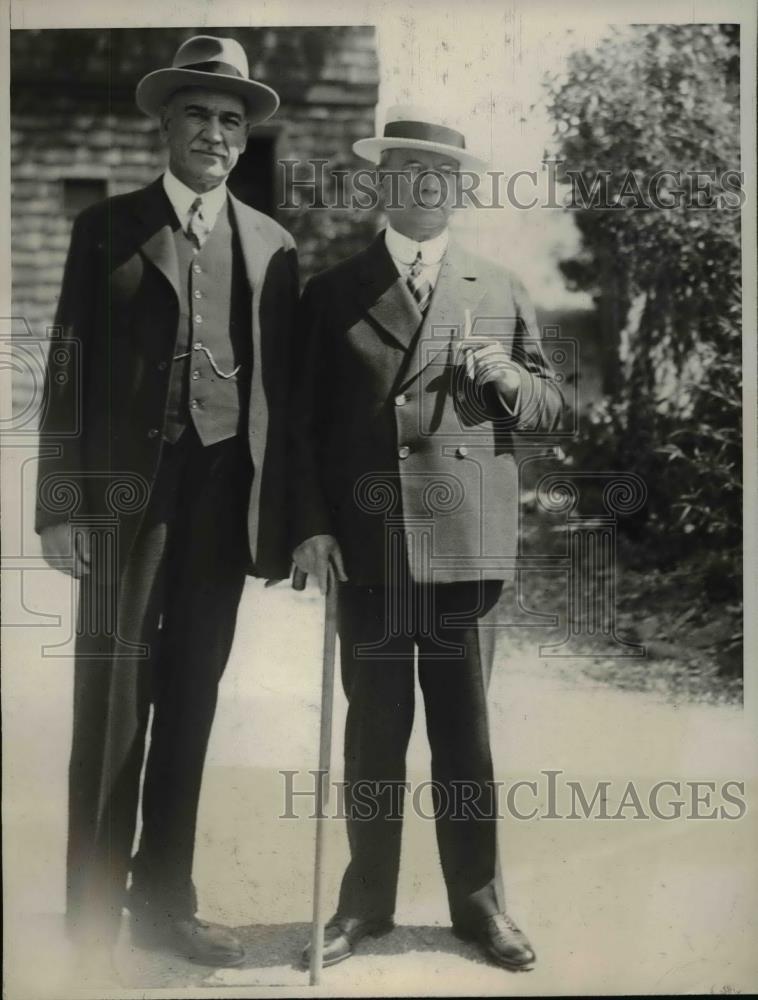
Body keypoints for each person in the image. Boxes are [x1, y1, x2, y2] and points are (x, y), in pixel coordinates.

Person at [36, 35, 298, 969]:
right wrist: (59, 505)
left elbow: (290, 395)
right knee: (111, 702)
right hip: (119, 502)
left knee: (192, 695)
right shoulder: (106, 228)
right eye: (198, 115)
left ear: (243, 137)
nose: (215, 133)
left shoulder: (272, 245)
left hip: (223, 500)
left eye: (231, 120)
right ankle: (90, 915)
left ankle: (165, 903)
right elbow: (65, 371)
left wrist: (293, 518)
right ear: (166, 123)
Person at [290, 106, 563, 972]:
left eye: (440, 175)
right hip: (369, 551)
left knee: (465, 735)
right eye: (404, 171)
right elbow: (296, 428)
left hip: (465, 547)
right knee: (373, 736)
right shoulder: (331, 292)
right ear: (379, 183)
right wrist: (311, 527)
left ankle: (480, 910)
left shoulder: (498, 288)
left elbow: (553, 410)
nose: (423, 187)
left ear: (461, 189)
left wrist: (515, 380)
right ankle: (363, 906)